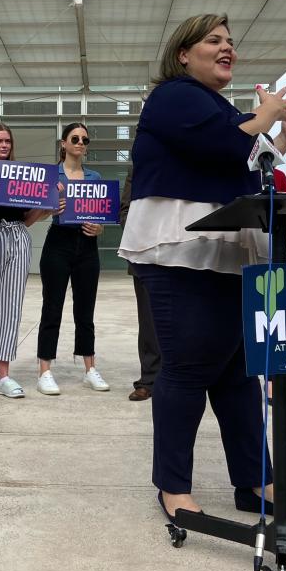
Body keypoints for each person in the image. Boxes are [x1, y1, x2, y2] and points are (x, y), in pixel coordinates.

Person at [118, 14, 286, 523]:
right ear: (183, 53)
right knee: (186, 369)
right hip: (182, 249)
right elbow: (227, 148)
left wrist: (285, 138)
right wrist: (265, 115)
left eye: (230, 41)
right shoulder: (175, 95)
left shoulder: (219, 109)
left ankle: (255, 483)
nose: (227, 47)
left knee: (236, 375)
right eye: (214, 40)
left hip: (229, 252)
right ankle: (173, 488)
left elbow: (245, 162)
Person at [0, 123, 64, 400]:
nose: (4, 145)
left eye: (7, 140)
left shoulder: (21, 175)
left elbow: (27, 220)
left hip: (18, 236)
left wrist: (46, 203)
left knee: (11, 306)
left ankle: (4, 375)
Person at [35, 122, 109, 395]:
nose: (80, 143)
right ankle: (45, 370)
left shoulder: (94, 177)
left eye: (85, 140)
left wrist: (99, 228)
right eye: (75, 138)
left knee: (85, 311)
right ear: (63, 144)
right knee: (52, 308)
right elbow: (37, 213)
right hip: (58, 243)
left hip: (87, 245)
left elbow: (101, 216)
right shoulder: (50, 175)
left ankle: (89, 368)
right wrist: (50, 207)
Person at [120, 168, 160, 402]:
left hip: (183, 253)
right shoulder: (138, 168)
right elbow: (125, 209)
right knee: (148, 323)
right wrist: (142, 235)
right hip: (145, 254)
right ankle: (149, 380)